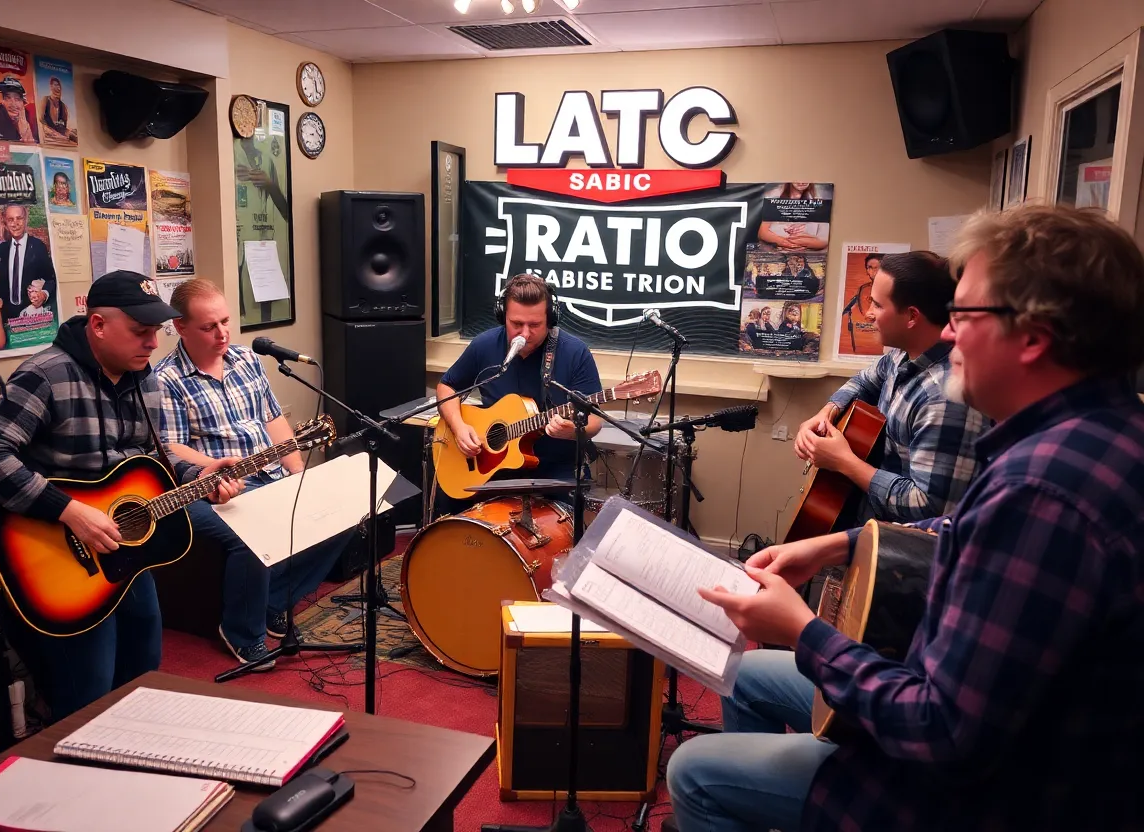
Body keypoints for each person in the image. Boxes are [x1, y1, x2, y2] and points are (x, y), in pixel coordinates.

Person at [666, 204, 1144, 831]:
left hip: (975, 796)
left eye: (965, 315)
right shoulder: (1096, 434)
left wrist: (805, 632)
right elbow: (958, 527)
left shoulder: (1042, 492)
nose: (949, 336)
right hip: (977, 730)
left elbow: (941, 731)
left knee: (693, 771)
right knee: (749, 674)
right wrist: (840, 543)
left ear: (1034, 336)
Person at [0, 271, 241, 721]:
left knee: (144, 671)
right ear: (98, 324)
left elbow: (145, 459)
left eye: (156, 330)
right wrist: (69, 510)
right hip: (57, 555)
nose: (153, 343)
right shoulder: (45, 375)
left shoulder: (144, 378)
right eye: (140, 331)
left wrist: (199, 474)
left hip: (123, 547)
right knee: (88, 694)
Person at [155, 278, 354, 668]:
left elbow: (272, 419)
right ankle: (242, 633)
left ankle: (275, 600)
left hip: (268, 473)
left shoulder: (246, 359)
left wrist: (297, 471)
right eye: (209, 326)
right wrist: (208, 470)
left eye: (225, 321)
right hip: (216, 486)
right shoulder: (166, 379)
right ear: (180, 326)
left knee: (345, 510)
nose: (222, 333)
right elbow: (171, 447)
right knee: (254, 531)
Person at [794, 251, 989, 523]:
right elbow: (863, 381)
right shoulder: (901, 354)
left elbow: (929, 507)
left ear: (911, 316)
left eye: (877, 305)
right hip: (869, 519)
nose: (868, 313)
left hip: (901, 542)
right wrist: (827, 411)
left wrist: (844, 462)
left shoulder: (945, 398)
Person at [434, 273, 603, 515]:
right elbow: (447, 387)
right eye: (516, 324)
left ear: (550, 319)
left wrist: (574, 431)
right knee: (452, 516)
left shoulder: (575, 353)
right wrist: (459, 427)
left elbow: (594, 420)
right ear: (502, 316)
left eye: (534, 325)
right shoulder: (485, 345)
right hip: (491, 469)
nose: (524, 333)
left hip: (554, 473)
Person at [0, 204, 56, 322]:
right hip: (5, 315)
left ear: (26, 220)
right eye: (10, 219)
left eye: (19, 218)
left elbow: (50, 279)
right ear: (5, 223)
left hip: (31, 313)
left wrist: (44, 294)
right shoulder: (1, 250)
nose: (15, 223)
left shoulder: (38, 247)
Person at [0, 75, 37, 143]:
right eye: (8, 98)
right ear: (3, 101)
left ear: (23, 102)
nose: (13, 104)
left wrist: (25, 132)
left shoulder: (31, 119)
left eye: (17, 99)